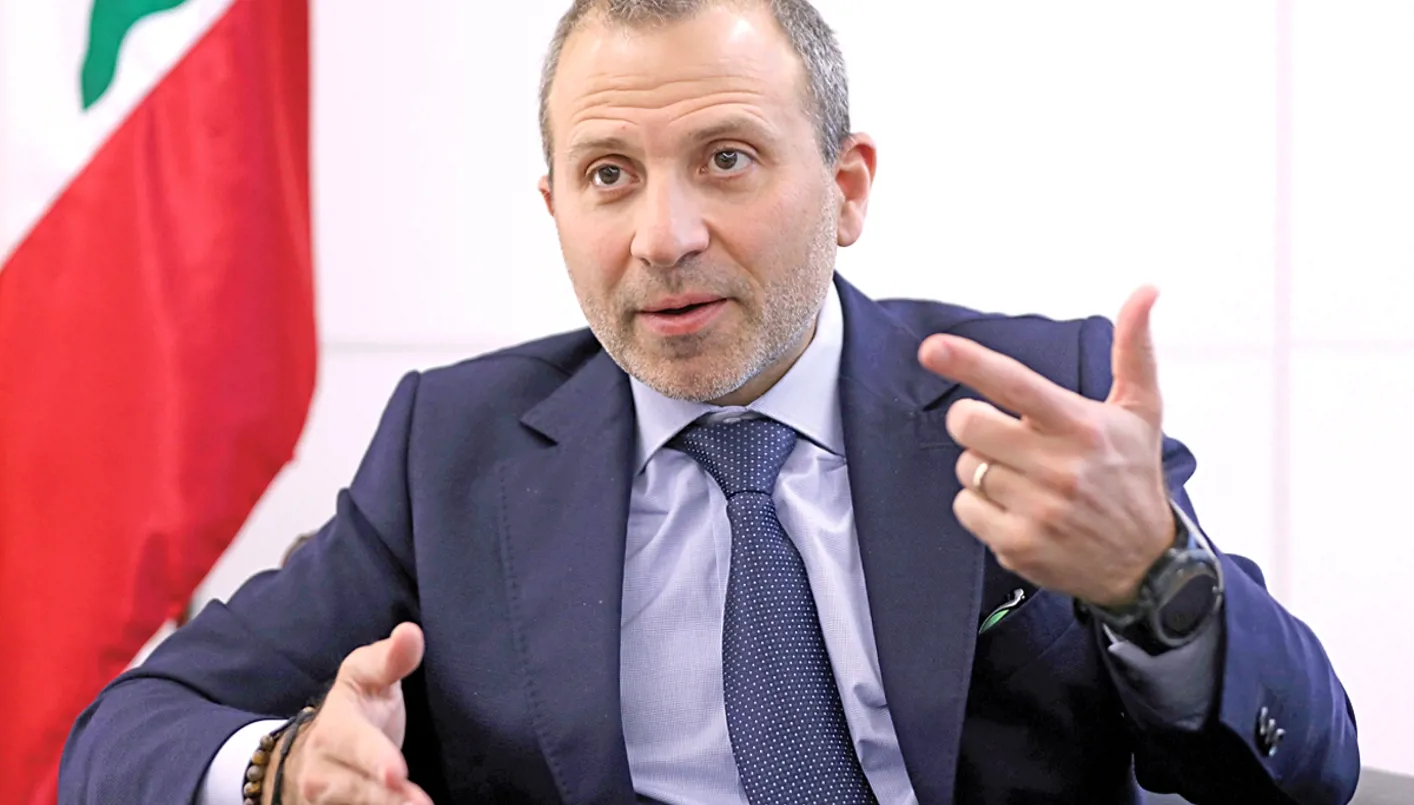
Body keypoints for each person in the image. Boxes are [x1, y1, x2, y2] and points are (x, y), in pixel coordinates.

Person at [59, 1, 1360, 803]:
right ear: (555, 209)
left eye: (725, 160)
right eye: (608, 175)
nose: (663, 236)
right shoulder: (450, 451)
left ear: (846, 189)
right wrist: (285, 769)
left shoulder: (1035, 398)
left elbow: (1309, 767)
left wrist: (1151, 578)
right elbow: (121, 736)